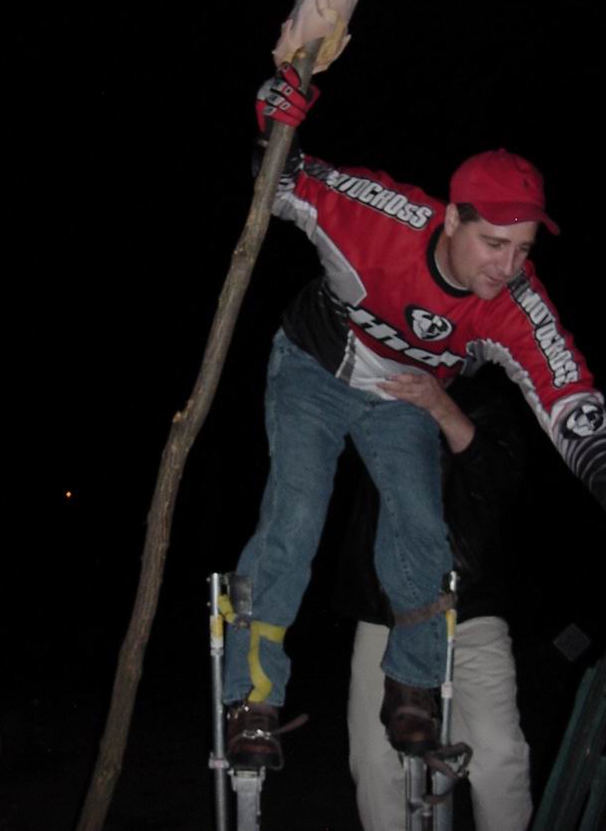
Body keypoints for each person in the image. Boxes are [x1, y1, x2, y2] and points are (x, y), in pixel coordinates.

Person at [223, 64, 606, 770]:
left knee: (423, 527)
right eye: (494, 243)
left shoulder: (514, 301)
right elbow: (281, 179)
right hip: (313, 367)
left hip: (401, 393)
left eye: (523, 249)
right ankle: (253, 697)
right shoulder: (379, 219)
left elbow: (568, 395)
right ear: (453, 218)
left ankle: (411, 687)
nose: (508, 266)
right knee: (295, 515)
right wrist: (276, 113)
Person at [338, 378, 532, 831]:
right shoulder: (376, 379)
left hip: (470, 605)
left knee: (499, 754)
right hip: (386, 612)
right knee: (373, 759)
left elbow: (498, 478)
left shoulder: (485, 394)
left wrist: (438, 404)